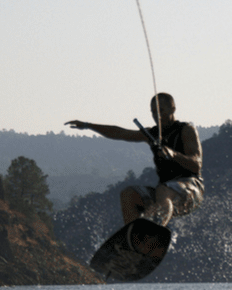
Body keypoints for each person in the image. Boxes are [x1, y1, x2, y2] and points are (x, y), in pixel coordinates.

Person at [66, 93, 203, 227]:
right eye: (154, 112)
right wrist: (88, 125)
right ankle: (134, 239)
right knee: (128, 194)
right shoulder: (152, 134)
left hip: (191, 190)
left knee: (162, 190)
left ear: (173, 108)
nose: (157, 116)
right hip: (166, 197)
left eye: (161, 110)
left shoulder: (186, 130)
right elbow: (120, 133)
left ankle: (156, 230)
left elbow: (196, 165)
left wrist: (173, 154)